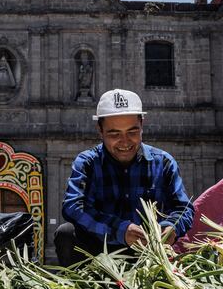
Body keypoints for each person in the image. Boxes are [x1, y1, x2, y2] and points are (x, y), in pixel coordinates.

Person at [56, 88, 193, 266]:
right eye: (114, 134)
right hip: (101, 248)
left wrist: (171, 227)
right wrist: (119, 230)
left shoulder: (163, 162)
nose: (125, 141)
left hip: (150, 250)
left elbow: (183, 208)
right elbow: (73, 207)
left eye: (132, 132)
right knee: (66, 233)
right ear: (100, 129)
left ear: (142, 124)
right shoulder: (87, 163)